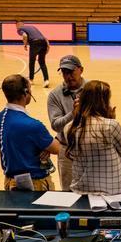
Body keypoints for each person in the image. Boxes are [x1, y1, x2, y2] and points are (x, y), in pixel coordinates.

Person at [65, 80, 121, 195]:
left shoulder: (70, 127)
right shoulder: (111, 125)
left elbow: (73, 155)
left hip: (82, 190)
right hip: (114, 191)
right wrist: (111, 118)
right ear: (103, 102)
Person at [0, 74, 60, 191]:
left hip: (10, 182)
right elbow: (57, 148)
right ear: (25, 92)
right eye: (30, 88)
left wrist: (43, 147)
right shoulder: (32, 125)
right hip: (35, 184)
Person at [47, 55, 88, 191]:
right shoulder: (55, 95)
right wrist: (73, 114)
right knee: (68, 192)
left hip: (91, 148)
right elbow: (55, 125)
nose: (68, 76)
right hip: (66, 150)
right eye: (64, 72)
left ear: (81, 70)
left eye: (71, 72)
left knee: (94, 190)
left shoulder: (92, 89)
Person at [16, 20, 50, 87]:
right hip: (44, 43)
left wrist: (25, 45)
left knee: (32, 62)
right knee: (42, 62)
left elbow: (25, 35)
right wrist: (48, 46)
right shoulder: (32, 27)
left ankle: (31, 80)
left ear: (17, 25)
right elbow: (45, 38)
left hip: (35, 43)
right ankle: (46, 80)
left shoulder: (20, 29)